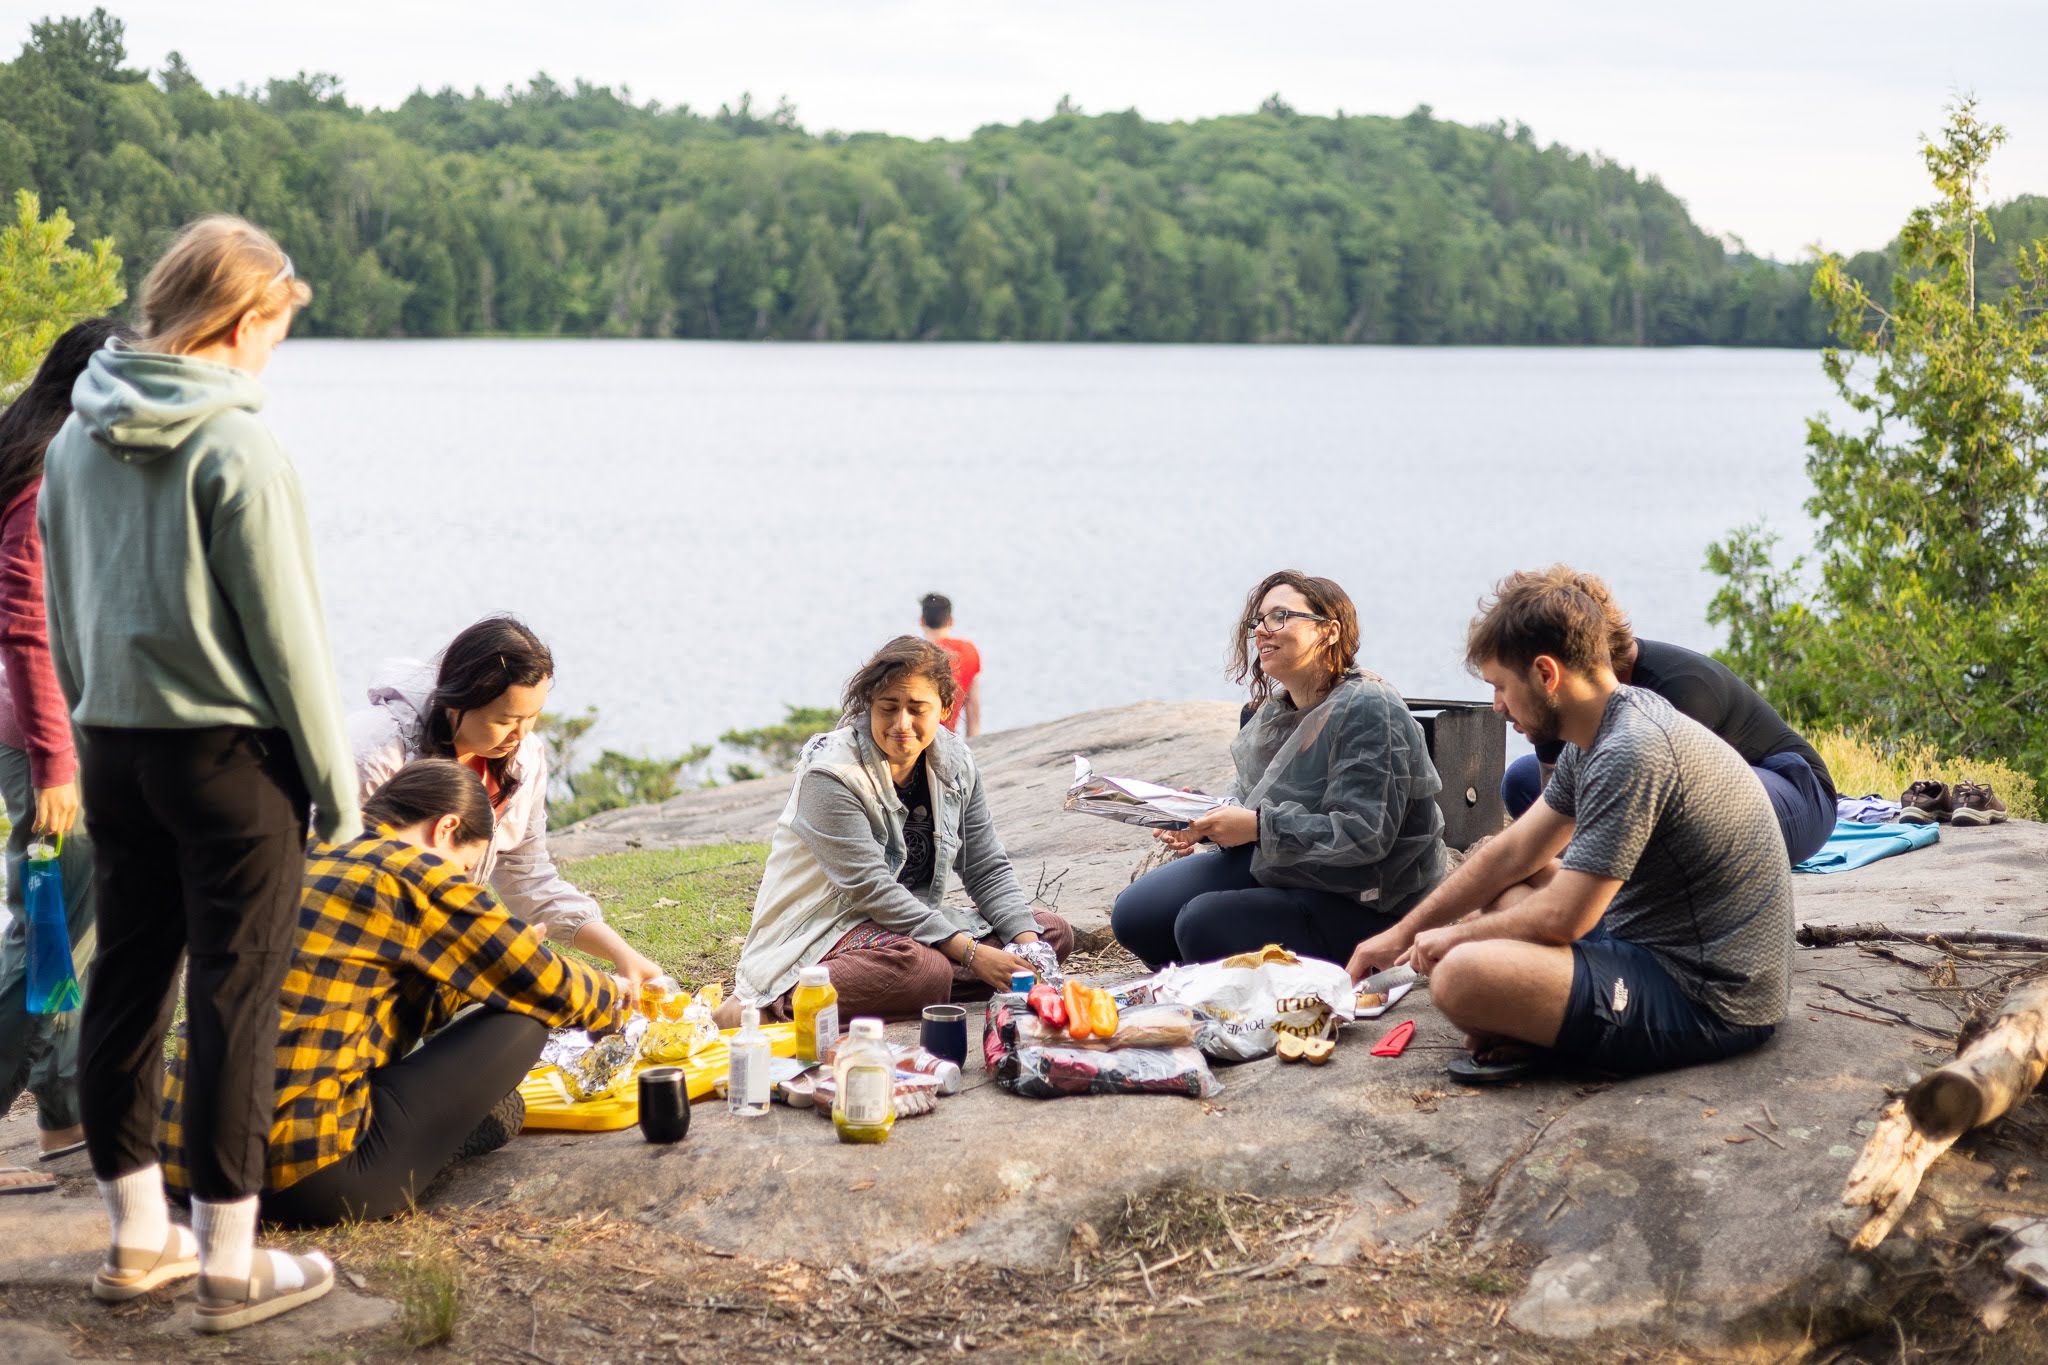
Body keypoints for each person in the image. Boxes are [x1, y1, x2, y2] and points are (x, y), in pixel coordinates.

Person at [40, 217, 360, 1328]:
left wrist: (89, 739)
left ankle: (138, 1237)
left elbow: (60, 614)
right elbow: (290, 641)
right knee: (234, 996)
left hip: (116, 751)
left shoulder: (73, 442)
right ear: (237, 321)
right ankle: (231, 1258)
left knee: (127, 982)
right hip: (230, 762)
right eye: (275, 327)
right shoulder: (238, 448)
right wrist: (338, 787)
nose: (275, 351)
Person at [1349, 567, 1792, 1080]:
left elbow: (1565, 920)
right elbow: (1513, 852)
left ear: (1545, 673)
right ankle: (1539, 1020)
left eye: (1500, 687)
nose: (1497, 707)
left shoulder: (1631, 750)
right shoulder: (1602, 729)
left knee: (1459, 979)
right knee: (1515, 885)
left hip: (1710, 996)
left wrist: (1454, 941)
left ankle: (1550, 1030)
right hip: (1650, 939)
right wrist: (1403, 932)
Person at [158, 760, 624, 1228]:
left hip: (185, 1165)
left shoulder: (298, 848)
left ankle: (442, 1129)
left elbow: (367, 999)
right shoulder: (413, 872)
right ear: (446, 828)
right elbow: (551, 988)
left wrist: (489, 969)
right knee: (521, 1023)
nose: (463, 879)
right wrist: (616, 994)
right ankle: (442, 1139)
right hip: (302, 1181)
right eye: (465, 866)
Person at [1111, 571, 1448, 970]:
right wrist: (1201, 816)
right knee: (1136, 917)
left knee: (1201, 925)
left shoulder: (1369, 708)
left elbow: (1365, 835)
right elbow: (1251, 801)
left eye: (1279, 616)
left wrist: (1257, 827)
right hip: (1290, 868)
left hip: (1370, 902)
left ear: (1330, 631)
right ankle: (1216, 966)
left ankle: (1297, 963)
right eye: (1258, 621)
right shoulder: (1278, 708)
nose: (1261, 631)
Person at [731, 636, 1071, 1022]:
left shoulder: (956, 762)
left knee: (1048, 932)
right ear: (868, 708)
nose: (901, 724)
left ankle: (918, 986)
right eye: (887, 708)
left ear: (945, 708)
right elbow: (871, 889)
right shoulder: (831, 774)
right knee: (924, 970)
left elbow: (984, 866)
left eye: (916, 709)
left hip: (911, 930)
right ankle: (773, 1007)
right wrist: (972, 954)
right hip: (827, 932)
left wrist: (1028, 949)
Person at [350, 616, 663, 1001]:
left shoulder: (523, 760)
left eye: (532, 717)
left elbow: (528, 877)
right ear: (456, 701)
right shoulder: (375, 753)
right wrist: (488, 948)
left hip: (437, 954)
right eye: (505, 720)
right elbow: (341, 881)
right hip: (358, 957)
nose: (520, 735)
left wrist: (623, 955)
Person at [0, 318, 133, 1188]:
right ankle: (57, 1105)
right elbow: (27, 622)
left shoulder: (51, 455)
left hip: (55, 738)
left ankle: (61, 1117)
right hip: (52, 749)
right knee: (49, 935)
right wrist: (56, 762)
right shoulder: (48, 472)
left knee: (57, 932)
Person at [1498, 571, 1834, 866]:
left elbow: (1677, 797)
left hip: (1789, 786)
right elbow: (1551, 801)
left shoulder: (1681, 688)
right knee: (1521, 780)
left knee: (1658, 808)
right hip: (1679, 791)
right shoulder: (1563, 693)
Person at [918, 592, 982, 737]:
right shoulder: (969, 651)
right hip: (947, 737)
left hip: (919, 739)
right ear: (951, 621)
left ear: (922, 621)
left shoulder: (918, 655)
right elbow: (973, 708)